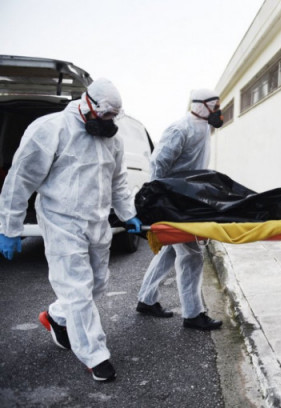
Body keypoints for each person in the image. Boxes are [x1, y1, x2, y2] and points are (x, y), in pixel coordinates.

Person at [0, 78, 142, 381]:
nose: (109, 121)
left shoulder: (113, 140)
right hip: (60, 220)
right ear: (87, 103)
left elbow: (118, 181)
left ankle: (55, 316)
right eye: (105, 114)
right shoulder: (50, 129)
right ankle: (95, 356)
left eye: (113, 116)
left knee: (97, 283)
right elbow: (19, 179)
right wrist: (10, 227)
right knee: (77, 289)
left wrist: (128, 214)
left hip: (97, 221)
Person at [136, 88, 224, 331]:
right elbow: (158, 163)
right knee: (192, 255)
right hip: (175, 201)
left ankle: (146, 299)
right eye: (216, 107)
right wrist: (159, 199)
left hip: (190, 198)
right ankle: (193, 314)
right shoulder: (180, 129)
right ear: (202, 105)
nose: (218, 112)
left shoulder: (204, 127)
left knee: (170, 252)